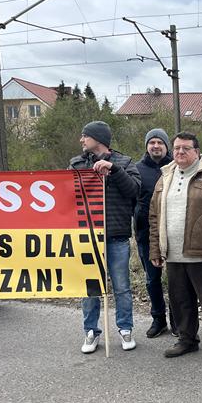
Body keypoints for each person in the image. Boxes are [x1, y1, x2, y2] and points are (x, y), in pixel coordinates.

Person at [148, 132, 202, 364]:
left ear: (197, 151)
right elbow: (154, 216)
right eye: (176, 148)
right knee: (180, 300)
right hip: (173, 253)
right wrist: (155, 248)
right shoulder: (165, 176)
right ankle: (186, 339)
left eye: (185, 148)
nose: (180, 152)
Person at [69, 120, 141, 354]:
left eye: (85, 135)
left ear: (98, 138)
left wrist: (114, 170)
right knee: (90, 288)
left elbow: (134, 191)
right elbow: (66, 195)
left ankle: (125, 328)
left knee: (121, 287)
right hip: (89, 237)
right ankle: (91, 331)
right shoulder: (77, 164)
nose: (81, 140)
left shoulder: (125, 162)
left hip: (117, 236)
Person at [134, 128, 175, 338]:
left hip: (175, 233)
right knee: (152, 280)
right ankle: (158, 319)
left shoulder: (176, 167)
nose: (156, 146)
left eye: (160, 142)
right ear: (147, 146)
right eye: (152, 142)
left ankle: (178, 320)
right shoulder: (136, 170)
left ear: (166, 146)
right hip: (146, 235)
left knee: (177, 280)